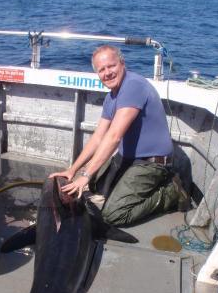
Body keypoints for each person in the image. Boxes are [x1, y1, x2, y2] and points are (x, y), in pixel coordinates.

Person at [50, 45, 189, 227]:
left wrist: (86, 174)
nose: (107, 73)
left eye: (111, 66)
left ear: (122, 64)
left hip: (152, 163)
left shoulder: (133, 86)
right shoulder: (111, 97)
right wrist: (72, 170)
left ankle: (172, 192)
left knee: (113, 214)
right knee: (95, 187)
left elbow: (114, 136)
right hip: (128, 158)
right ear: (97, 74)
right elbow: (98, 137)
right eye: (101, 70)